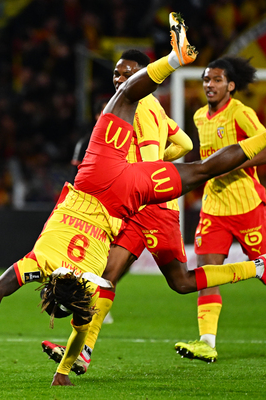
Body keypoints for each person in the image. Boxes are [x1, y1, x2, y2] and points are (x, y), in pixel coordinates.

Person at [0, 13, 266, 387]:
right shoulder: (37, 262)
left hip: (127, 196)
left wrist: (61, 373)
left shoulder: (90, 283)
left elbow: (79, 321)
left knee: (200, 171)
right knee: (132, 106)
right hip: (103, 177)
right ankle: (179, 61)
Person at [41, 48, 195, 375]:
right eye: (117, 74)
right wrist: (157, 163)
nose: (120, 79)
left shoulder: (138, 106)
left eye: (128, 74)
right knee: (109, 276)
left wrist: (134, 172)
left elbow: (144, 161)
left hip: (143, 202)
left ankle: (255, 269)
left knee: (179, 281)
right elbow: (185, 145)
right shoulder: (156, 108)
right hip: (146, 200)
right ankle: (82, 353)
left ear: (145, 74)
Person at [174, 56, 266, 363]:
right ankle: (207, 343)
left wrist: (227, 167)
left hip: (247, 206)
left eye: (216, 80)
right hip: (213, 208)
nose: (209, 85)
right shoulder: (199, 116)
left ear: (231, 85)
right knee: (206, 272)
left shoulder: (241, 113)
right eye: (205, 79)